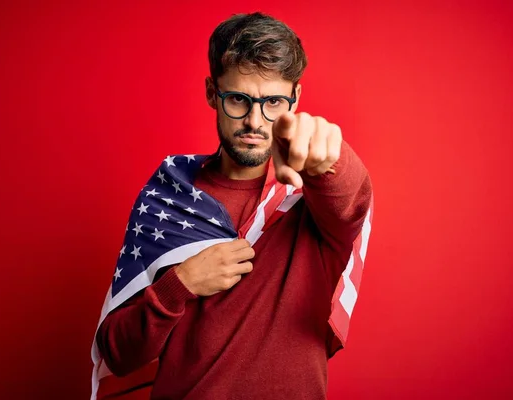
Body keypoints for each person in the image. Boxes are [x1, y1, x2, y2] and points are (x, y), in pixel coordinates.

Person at [92, 11, 373, 400]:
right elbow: (119, 353)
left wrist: (330, 158)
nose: (255, 122)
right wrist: (181, 284)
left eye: (273, 101)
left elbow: (352, 199)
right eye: (238, 99)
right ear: (212, 92)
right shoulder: (168, 198)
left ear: (295, 97)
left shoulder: (312, 201)